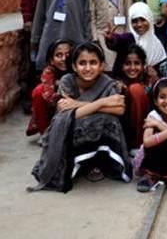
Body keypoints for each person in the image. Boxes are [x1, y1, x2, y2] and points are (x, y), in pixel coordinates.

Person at [30, 42, 131, 192]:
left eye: (93, 63)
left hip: (99, 135)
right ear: (75, 66)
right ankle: (77, 164)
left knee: (110, 121)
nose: (88, 68)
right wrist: (103, 103)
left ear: (102, 65)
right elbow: (66, 115)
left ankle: (97, 163)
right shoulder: (67, 81)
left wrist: (77, 104)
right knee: (74, 122)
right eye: (82, 63)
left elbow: (120, 109)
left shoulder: (108, 83)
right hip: (71, 133)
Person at [106, 2, 167, 78]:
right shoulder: (128, 38)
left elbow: (162, 71)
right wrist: (111, 39)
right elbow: (117, 41)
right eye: (134, 21)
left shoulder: (157, 44)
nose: (139, 24)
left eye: (143, 20)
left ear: (150, 19)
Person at [26, 39, 73, 138]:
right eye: (59, 55)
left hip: (78, 108)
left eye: (68, 54)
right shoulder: (49, 72)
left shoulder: (79, 69)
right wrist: (63, 100)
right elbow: (49, 98)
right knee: (38, 91)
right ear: (51, 60)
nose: (64, 59)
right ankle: (46, 133)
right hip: (55, 107)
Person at [112, 44, 151, 153]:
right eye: (127, 64)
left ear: (143, 65)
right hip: (124, 135)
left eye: (137, 63)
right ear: (121, 66)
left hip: (146, 134)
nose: (132, 68)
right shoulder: (116, 84)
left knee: (136, 89)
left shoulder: (150, 83)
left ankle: (138, 147)